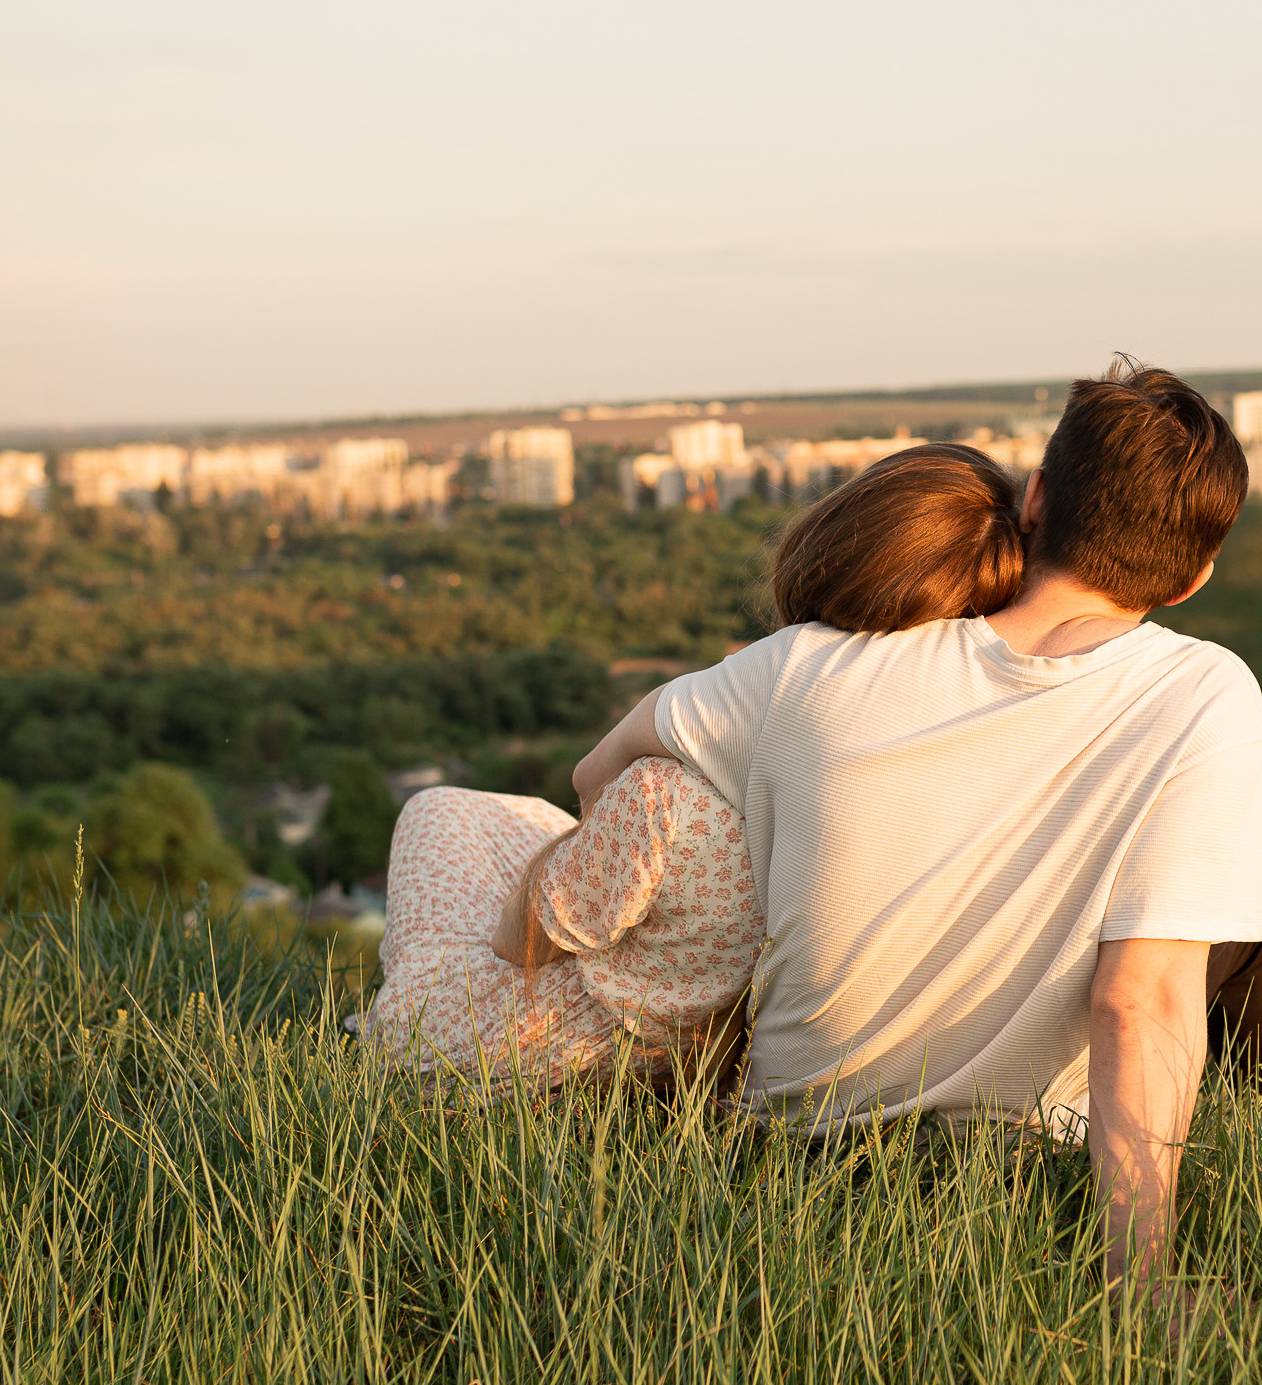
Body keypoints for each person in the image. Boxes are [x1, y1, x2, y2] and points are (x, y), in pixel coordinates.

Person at [567, 359, 1262, 1291]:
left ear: (1036, 501)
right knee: (1237, 931)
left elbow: (600, 774)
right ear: (1195, 576)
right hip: (1003, 1175)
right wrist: (1142, 1287)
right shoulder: (1202, 692)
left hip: (782, 1165)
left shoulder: (807, 663)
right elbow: (1140, 1000)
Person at [356, 443, 1027, 1081]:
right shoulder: (951, 776)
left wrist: (586, 844)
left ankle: (393, 1022)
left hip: (572, 1042)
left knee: (437, 813)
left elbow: (524, 941)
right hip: (717, 1032)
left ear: (832, 552)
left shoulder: (672, 793)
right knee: (518, 815)